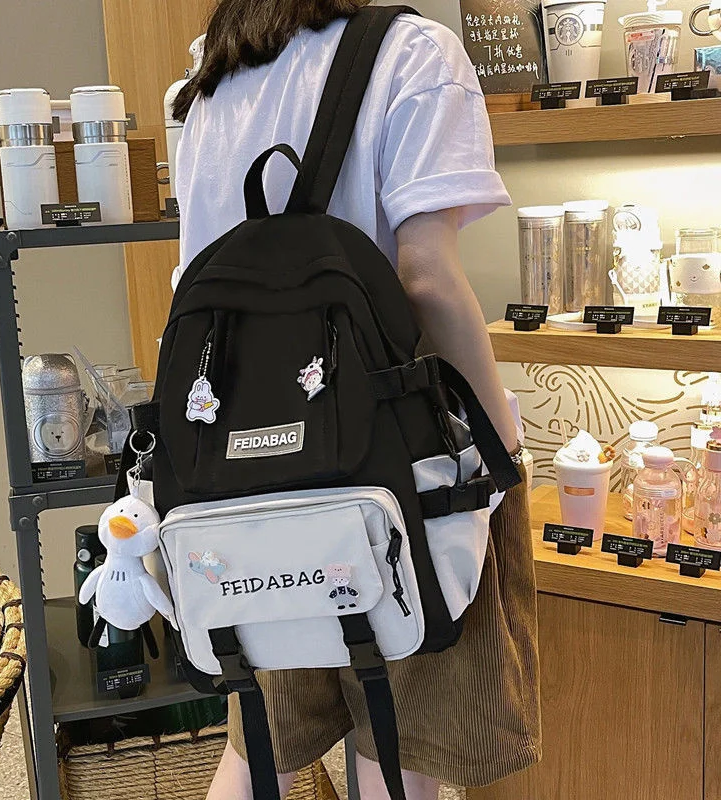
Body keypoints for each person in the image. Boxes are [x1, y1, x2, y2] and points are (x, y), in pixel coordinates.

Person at [172, 2, 541, 798]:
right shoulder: (412, 53)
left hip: (245, 481)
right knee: (398, 751)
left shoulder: (210, 79)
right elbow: (425, 278)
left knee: (258, 750)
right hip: (400, 475)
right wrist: (501, 451)